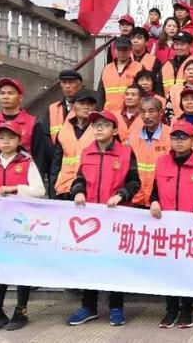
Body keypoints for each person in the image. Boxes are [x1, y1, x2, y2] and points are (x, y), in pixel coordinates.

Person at [67, 110, 140, 327]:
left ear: (115, 130)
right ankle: (88, 307)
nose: (98, 128)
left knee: (115, 263)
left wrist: (120, 195)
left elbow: (134, 182)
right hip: (90, 219)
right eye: (95, 125)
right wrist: (78, 191)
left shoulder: (126, 152)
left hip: (116, 217)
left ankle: (116, 307)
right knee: (89, 262)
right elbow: (79, 178)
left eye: (104, 125)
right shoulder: (87, 152)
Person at [0, 122, 45, 331]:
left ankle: (21, 311)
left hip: (22, 225)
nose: (6, 142)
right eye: (1, 138)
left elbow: (39, 190)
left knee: (22, 267)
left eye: (11, 137)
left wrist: (15, 189)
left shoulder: (27, 162)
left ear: (19, 140)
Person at [149, 121, 193, 329]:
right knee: (169, 268)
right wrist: (154, 201)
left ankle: (187, 309)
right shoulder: (161, 162)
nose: (179, 141)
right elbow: (155, 190)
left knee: (188, 268)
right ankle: (171, 309)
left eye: (184, 137)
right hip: (167, 225)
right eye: (175, 137)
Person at [0, 78, 47, 216]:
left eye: (10, 93)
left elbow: (40, 157)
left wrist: (35, 187)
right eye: (2, 93)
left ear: (20, 97)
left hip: (21, 182)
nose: (5, 96)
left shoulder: (32, 122)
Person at [50, 90, 122, 199]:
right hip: (63, 189)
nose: (86, 107)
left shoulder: (101, 131)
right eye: (82, 103)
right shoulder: (64, 130)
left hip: (89, 191)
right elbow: (56, 163)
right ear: (73, 106)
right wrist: (52, 189)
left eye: (90, 104)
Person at [128, 96, 171, 207]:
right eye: (143, 112)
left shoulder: (171, 136)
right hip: (136, 197)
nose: (146, 116)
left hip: (160, 199)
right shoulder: (133, 136)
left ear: (161, 112)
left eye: (151, 111)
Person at [99, 36, 143, 112]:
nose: (121, 52)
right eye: (119, 49)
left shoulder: (139, 67)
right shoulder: (107, 68)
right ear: (114, 50)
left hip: (130, 113)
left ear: (130, 50)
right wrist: (99, 111)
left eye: (125, 49)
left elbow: (143, 93)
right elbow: (101, 93)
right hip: (109, 113)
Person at [45, 69, 86, 144]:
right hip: (55, 149)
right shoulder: (53, 108)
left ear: (80, 85)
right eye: (64, 82)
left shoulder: (87, 108)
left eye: (71, 82)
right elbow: (45, 135)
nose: (67, 86)